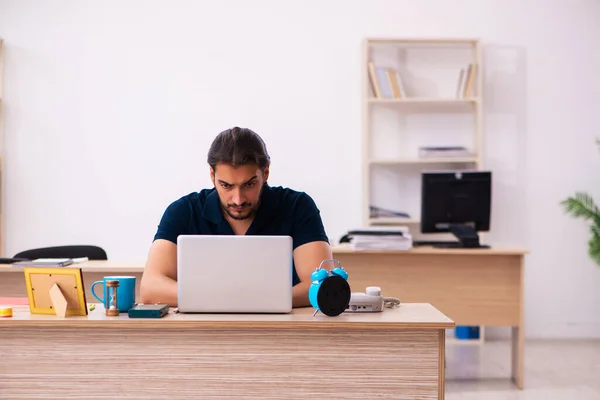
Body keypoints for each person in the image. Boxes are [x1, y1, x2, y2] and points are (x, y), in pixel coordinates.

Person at [139, 127, 332, 308]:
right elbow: (150, 288)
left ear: (265, 173)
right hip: (202, 334)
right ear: (212, 175)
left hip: (280, 333)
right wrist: (237, 299)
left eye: (249, 185)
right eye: (226, 186)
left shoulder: (298, 206)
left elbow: (321, 284)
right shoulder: (183, 211)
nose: (238, 199)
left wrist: (238, 300)